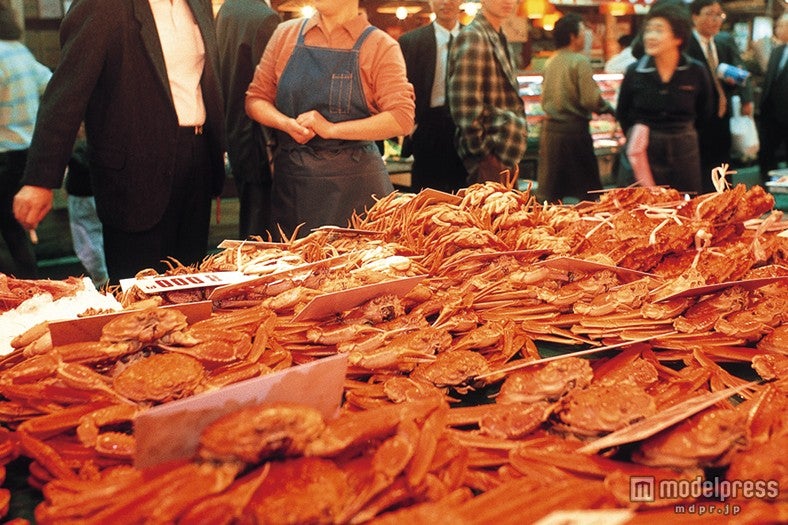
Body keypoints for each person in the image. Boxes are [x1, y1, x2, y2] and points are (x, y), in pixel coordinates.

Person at [12, 0, 226, 283]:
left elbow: (209, 80)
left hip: (197, 159)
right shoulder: (104, 5)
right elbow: (68, 90)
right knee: (138, 289)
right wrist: (40, 180)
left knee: (192, 283)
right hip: (134, 172)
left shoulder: (198, 3)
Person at [245, 0, 414, 238]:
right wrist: (285, 123)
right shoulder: (286, 34)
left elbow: (401, 118)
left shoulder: (380, 45)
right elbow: (255, 99)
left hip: (356, 190)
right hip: (293, 186)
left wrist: (331, 129)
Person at [616, 3, 714, 194]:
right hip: (644, 148)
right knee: (641, 204)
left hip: (684, 148)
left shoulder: (696, 71)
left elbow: (705, 112)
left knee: (684, 202)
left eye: (659, 30)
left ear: (678, 37)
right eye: (648, 30)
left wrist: (682, 133)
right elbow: (623, 113)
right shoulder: (635, 71)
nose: (650, 36)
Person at [216, 0, 280, 239]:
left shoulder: (228, 10)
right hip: (261, 140)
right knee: (263, 231)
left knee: (251, 224)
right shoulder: (265, 18)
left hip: (235, 135)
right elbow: (272, 88)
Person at [536, 13, 615, 203]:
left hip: (550, 134)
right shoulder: (580, 61)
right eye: (582, 32)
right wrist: (608, 108)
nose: (585, 36)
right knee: (587, 195)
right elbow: (590, 100)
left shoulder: (551, 61)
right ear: (573, 36)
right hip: (574, 134)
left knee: (551, 196)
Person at [447, 0, 527, 185]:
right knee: (488, 204)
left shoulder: (498, 34)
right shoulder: (474, 35)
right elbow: (464, 105)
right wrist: (483, 153)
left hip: (506, 150)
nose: (508, 1)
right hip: (489, 155)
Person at [0, 4, 50, 278]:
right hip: (26, 155)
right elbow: (51, 84)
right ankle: (31, 286)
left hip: (3, 153)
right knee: (16, 229)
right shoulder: (20, 51)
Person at [398, 0, 467, 193]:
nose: (446, 2)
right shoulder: (411, 41)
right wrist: (410, 126)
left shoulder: (475, 39)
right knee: (426, 195)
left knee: (465, 196)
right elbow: (401, 86)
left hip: (467, 127)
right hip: (427, 126)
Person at [686, 0, 753, 193]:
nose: (716, 20)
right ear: (694, 17)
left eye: (719, 15)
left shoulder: (722, 43)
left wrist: (734, 85)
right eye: (709, 14)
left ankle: (725, 204)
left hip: (722, 116)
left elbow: (737, 73)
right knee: (700, 175)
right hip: (696, 120)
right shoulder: (686, 46)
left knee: (723, 170)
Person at [65, 130, 109, 289]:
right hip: (105, 192)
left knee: (88, 243)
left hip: (81, 195)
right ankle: (108, 279)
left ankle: (103, 282)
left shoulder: (74, 143)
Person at [758, 13, 788, 187]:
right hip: (771, 115)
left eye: (781, 26)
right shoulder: (777, 51)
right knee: (766, 156)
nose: (777, 30)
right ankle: (766, 191)